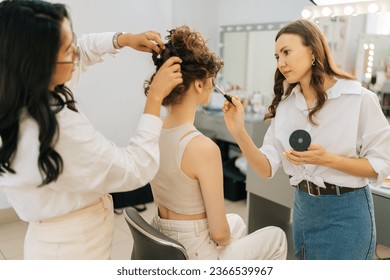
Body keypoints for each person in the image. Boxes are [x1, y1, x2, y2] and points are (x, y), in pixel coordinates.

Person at [0, 0, 182, 259]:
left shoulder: (19, 93)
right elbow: (135, 168)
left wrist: (123, 39)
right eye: (66, 49)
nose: (75, 52)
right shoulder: (55, 131)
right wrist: (154, 99)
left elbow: (82, 49)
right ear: (38, 64)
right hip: (74, 251)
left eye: (71, 39)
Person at [222, 18, 390, 260]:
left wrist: (328, 159)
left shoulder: (358, 99)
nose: (280, 63)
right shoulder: (287, 106)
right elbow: (265, 168)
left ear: (312, 50)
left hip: (346, 214)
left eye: (286, 52)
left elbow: (380, 165)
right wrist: (238, 131)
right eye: (276, 56)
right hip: (304, 209)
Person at [144, 25, 287, 260]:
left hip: (165, 238)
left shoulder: (151, 129)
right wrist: (224, 242)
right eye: (212, 79)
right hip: (195, 253)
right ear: (199, 84)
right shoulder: (203, 148)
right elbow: (220, 234)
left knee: (238, 221)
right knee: (276, 236)